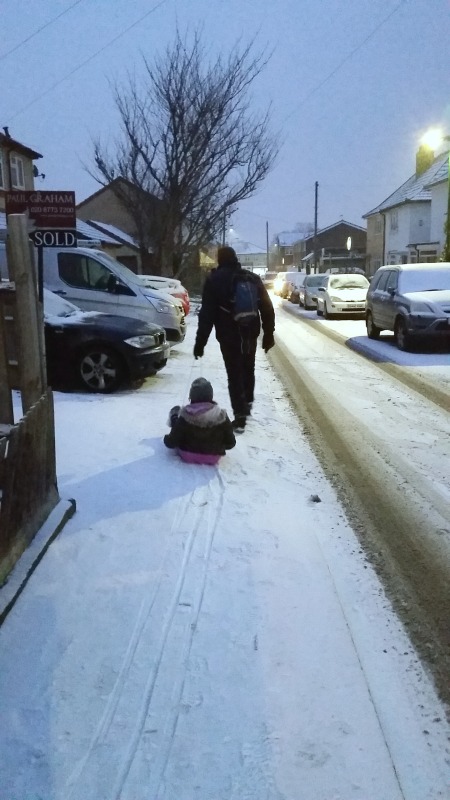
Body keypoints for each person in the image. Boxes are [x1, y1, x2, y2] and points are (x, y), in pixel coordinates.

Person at [193, 246, 275, 431]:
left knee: (234, 372)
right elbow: (267, 308)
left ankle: (240, 415)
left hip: (228, 334)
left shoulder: (214, 280)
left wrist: (200, 343)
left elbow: (207, 315)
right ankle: (248, 402)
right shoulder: (251, 278)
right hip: (250, 331)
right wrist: (268, 334)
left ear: (220, 260)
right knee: (248, 367)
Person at [163, 377, 236, 465]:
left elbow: (171, 443)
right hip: (213, 457)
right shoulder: (221, 416)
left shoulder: (185, 416)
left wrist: (166, 438)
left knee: (177, 416)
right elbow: (231, 443)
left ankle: (174, 418)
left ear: (192, 396)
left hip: (187, 454)